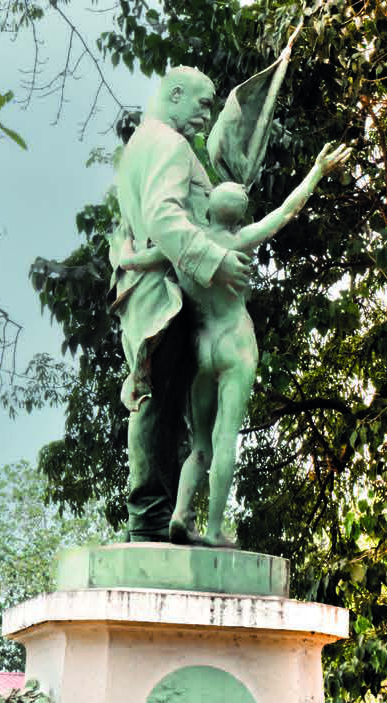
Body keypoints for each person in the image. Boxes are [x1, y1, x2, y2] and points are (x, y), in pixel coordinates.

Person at [113, 144, 348, 548]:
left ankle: (180, 514)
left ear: (208, 210)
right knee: (225, 438)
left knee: (200, 444)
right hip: (234, 342)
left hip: (200, 346)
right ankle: (214, 529)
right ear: (239, 217)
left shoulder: (184, 244)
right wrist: (316, 171)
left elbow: (134, 263)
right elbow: (284, 213)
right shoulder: (239, 241)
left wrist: (124, 244)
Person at [110, 67, 251, 543]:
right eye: (202, 104)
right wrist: (217, 260)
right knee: (160, 402)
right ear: (174, 95)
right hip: (165, 295)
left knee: (157, 398)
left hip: (143, 289)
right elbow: (164, 218)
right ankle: (151, 519)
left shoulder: (138, 146)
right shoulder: (170, 145)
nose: (207, 116)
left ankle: (155, 517)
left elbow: (134, 228)